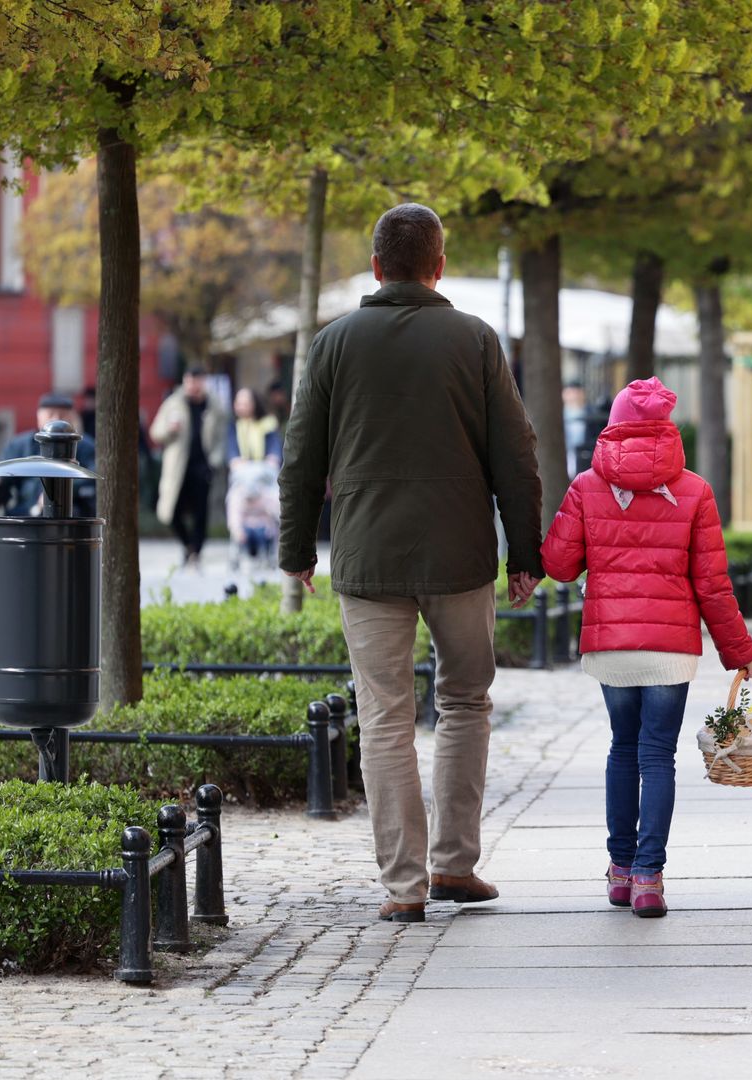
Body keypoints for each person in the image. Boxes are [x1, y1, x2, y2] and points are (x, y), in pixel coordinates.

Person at [278, 202, 544, 924]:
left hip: (366, 555)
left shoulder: (333, 343)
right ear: (439, 266)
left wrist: (296, 548)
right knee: (464, 700)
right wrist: (527, 554)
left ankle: (404, 883)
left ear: (374, 266)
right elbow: (515, 455)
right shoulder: (475, 340)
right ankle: (455, 864)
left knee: (385, 715)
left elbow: (301, 454)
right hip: (459, 552)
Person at [541, 378, 752, 918]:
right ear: (668, 430)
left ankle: (619, 870)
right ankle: (648, 877)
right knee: (659, 755)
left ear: (612, 427)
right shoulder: (695, 490)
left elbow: (560, 565)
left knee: (623, 748)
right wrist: (741, 651)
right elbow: (712, 585)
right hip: (669, 648)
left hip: (611, 645)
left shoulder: (587, 486)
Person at [150, 368, 228, 569]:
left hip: (203, 467)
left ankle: (196, 552)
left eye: (198, 380)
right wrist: (170, 430)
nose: (194, 385)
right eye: (191, 380)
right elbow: (156, 432)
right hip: (178, 467)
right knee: (171, 511)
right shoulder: (173, 403)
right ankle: (188, 546)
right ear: (185, 381)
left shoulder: (214, 405)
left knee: (201, 513)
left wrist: (215, 461)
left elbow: (221, 437)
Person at [0, 392, 98, 517]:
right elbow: (5, 474)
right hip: (26, 513)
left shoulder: (84, 446)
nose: (56, 419)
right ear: (39, 417)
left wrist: (56, 493)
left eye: (62, 415)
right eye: (51, 415)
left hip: (69, 513)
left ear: (72, 418)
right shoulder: (20, 444)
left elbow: (91, 477)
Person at [225, 387, 282, 570]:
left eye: (245, 402)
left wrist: (250, 467)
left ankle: (277, 550)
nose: (241, 406)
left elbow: (274, 461)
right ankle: (237, 543)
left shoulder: (269, 425)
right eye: (238, 402)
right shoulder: (233, 428)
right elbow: (233, 462)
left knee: (277, 505)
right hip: (243, 485)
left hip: (265, 485)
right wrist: (257, 467)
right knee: (234, 502)